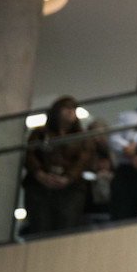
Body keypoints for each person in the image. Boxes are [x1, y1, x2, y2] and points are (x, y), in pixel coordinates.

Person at [22, 95, 94, 236]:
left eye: (73, 108)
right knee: (41, 227)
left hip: (71, 188)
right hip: (40, 187)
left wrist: (69, 177)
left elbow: (84, 159)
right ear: (56, 111)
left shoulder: (82, 136)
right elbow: (29, 155)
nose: (70, 111)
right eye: (66, 108)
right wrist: (40, 174)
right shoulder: (40, 133)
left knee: (66, 227)